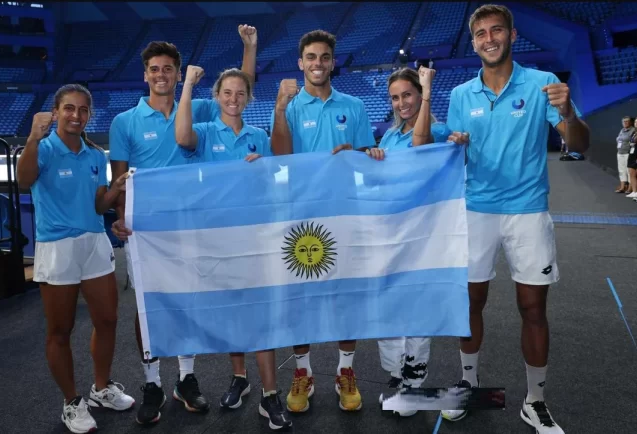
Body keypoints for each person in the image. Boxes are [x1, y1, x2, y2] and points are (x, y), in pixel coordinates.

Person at [438, 5, 589, 434]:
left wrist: (568, 114)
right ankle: (469, 386)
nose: (489, 38)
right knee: (470, 303)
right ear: (473, 43)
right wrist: (456, 144)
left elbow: (580, 144)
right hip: (476, 209)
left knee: (533, 307)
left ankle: (535, 401)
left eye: (496, 30)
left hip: (528, 210)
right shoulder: (461, 95)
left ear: (512, 35)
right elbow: (455, 155)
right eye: (481, 33)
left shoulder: (543, 83)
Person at [108, 25, 258, 425]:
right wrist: (121, 217)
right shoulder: (124, 121)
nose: (161, 75)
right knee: (148, 307)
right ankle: (152, 383)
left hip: (191, 223)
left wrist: (248, 48)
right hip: (145, 230)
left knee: (188, 300)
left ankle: (186, 379)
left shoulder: (198, 109)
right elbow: (120, 178)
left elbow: (239, 89)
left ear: (178, 74)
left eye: (168, 69)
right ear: (145, 74)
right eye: (154, 69)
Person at [174, 65, 290, 430]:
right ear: (217, 96)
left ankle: (270, 395)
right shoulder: (207, 131)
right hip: (217, 237)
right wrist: (188, 85)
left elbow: (277, 179)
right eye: (227, 93)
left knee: (261, 314)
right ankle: (240, 378)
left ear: (249, 98)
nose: (234, 99)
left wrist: (264, 168)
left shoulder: (259, 136)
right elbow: (182, 137)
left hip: (255, 236)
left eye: (241, 93)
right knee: (233, 312)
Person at [16, 84, 135, 434]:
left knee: (108, 320)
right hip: (57, 247)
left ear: (89, 115)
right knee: (60, 330)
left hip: (94, 242)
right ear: (56, 112)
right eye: (69, 108)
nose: (76, 115)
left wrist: (115, 190)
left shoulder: (96, 155)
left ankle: (101, 388)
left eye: (83, 110)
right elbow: (23, 181)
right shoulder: (43, 148)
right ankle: (71, 401)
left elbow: (98, 206)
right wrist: (33, 138)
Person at [270, 29, 375, 414]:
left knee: (346, 296)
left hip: (346, 213)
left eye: (324, 57)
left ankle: (345, 371)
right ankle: (304, 372)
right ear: (301, 63)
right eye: (311, 57)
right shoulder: (289, 106)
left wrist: (356, 157)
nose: (318, 63)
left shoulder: (355, 106)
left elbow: (368, 161)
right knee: (301, 300)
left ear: (333, 62)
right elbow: (280, 157)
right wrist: (279, 109)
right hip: (302, 217)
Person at [368, 66, 451, 418]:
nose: (401, 103)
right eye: (395, 97)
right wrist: (373, 159)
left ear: (419, 94)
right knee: (390, 304)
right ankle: (397, 375)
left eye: (408, 95)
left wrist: (428, 92)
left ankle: (414, 385)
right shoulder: (389, 135)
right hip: (390, 232)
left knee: (416, 307)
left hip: (421, 232)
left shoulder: (438, 129)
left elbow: (420, 147)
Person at [614, 116, 635, 193]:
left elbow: (632, 141)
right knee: (621, 170)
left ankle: (630, 187)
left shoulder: (633, 130)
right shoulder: (622, 130)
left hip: (627, 153)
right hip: (620, 152)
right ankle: (622, 186)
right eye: (624, 121)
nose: (625, 123)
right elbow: (618, 139)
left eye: (627, 121)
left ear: (630, 122)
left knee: (628, 171)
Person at [626, 117, 637, 199]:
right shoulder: (634, 132)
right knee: (631, 173)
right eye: (635, 122)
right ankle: (634, 191)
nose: (636, 123)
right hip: (631, 153)